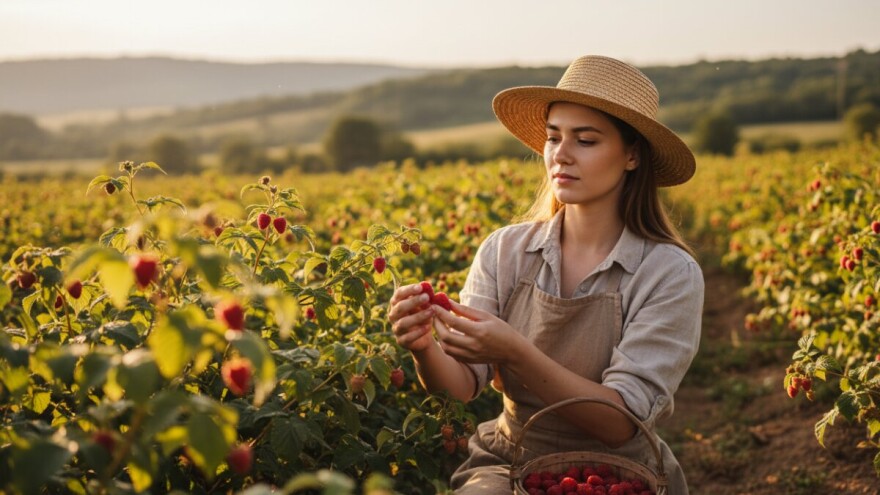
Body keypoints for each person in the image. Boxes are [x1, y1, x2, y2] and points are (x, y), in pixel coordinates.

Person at [388, 55, 704, 494]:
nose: (561, 154)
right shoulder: (505, 251)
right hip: (511, 459)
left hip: (617, 472)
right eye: (554, 138)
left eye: (586, 140)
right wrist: (424, 347)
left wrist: (516, 351)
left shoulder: (667, 273)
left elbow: (619, 425)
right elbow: (460, 386)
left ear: (632, 155)